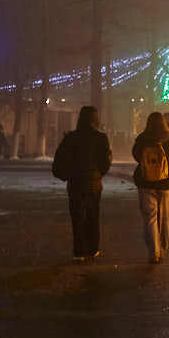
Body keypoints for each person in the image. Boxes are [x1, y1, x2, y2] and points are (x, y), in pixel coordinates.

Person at [52, 106, 113, 261]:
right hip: (93, 184)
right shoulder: (100, 138)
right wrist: (98, 174)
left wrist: (66, 174)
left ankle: (79, 251)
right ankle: (92, 249)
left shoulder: (71, 137)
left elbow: (59, 159)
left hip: (75, 183)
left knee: (77, 216)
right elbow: (106, 161)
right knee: (93, 215)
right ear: (95, 119)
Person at [132, 112, 169, 263]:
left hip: (146, 184)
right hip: (166, 186)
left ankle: (153, 251)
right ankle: (162, 249)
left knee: (150, 218)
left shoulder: (142, 141)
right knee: (165, 218)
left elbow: (136, 156)